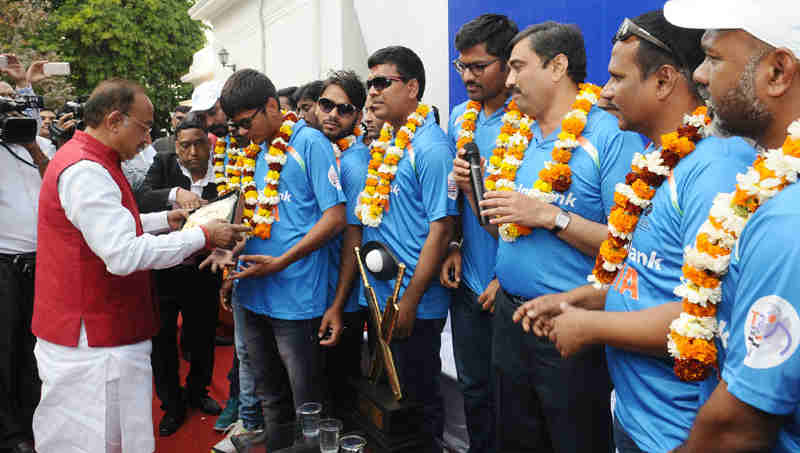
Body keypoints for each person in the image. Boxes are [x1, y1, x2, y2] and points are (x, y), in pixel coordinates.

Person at [514, 10, 757, 453]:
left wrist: (591, 325)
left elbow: (711, 316)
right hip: (634, 414)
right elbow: (646, 281)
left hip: (679, 432)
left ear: (663, 81)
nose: (604, 93)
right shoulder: (655, 163)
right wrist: (576, 298)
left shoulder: (714, 171)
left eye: (617, 78)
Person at [30, 78, 249, 453]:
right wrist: (204, 237)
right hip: (93, 336)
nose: (147, 139)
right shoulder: (86, 170)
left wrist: (167, 220)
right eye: (144, 128)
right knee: (95, 439)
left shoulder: (93, 159)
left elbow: (110, 225)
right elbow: (122, 253)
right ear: (115, 120)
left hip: (102, 329)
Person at [453, 22, 642, 452]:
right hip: (509, 318)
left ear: (557, 66)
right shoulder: (516, 138)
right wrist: (473, 192)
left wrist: (551, 217)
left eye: (519, 67)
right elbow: (501, 229)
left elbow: (628, 245)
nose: (510, 79)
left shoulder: (609, 137)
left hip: (569, 323)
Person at [661, 1, 800, 451]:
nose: (698, 75)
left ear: (778, 72)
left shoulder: (788, 222)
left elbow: (738, 428)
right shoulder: (771, 186)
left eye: (714, 58)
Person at [217, 68, 346, 448]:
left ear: (271, 106)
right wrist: (229, 264)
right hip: (253, 294)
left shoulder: (310, 144)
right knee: (270, 397)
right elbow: (254, 219)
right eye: (234, 125)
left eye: (245, 122)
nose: (240, 133)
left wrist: (283, 261)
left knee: (307, 405)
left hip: (295, 299)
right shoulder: (253, 151)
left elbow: (335, 217)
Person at [358, 45, 456, 450]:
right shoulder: (387, 141)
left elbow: (442, 227)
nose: (373, 93)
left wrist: (411, 301)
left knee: (418, 400)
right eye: (370, 84)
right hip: (380, 294)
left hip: (412, 303)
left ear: (412, 87)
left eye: (383, 82)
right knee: (389, 404)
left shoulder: (430, 147)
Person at [441, 14, 518, 453]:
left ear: (508, 65)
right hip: (466, 279)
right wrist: (454, 243)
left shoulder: (527, 121)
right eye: (461, 67)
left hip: (507, 286)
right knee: (473, 388)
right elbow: (456, 193)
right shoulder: (459, 118)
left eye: (478, 66)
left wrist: (504, 275)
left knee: (511, 399)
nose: (468, 76)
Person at [138, 112, 224, 436]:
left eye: (198, 144)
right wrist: (175, 193)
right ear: (175, 147)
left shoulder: (226, 170)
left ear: (209, 143)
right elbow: (142, 199)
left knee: (202, 336)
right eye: (184, 146)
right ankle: (171, 405)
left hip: (205, 269)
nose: (191, 153)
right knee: (162, 341)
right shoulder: (163, 165)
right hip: (165, 270)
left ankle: (198, 392)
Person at [315, 69, 369, 417]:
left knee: (338, 394)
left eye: (344, 109)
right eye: (326, 104)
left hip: (341, 299)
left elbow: (354, 237)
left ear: (359, 116)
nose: (332, 114)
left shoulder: (356, 162)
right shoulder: (314, 150)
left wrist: (338, 304)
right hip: (310, 292)